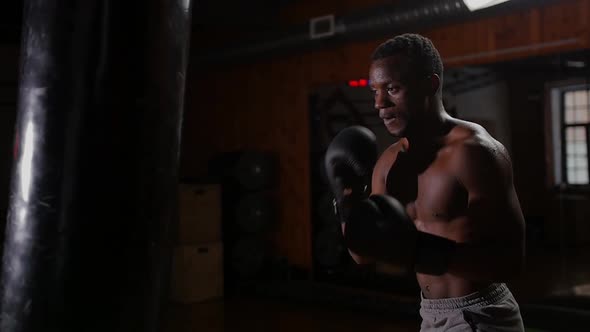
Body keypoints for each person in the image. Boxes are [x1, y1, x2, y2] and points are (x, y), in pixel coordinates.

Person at [325, 33, 526, 331]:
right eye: (375, 92)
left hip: (481, 313)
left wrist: (418, 251)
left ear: (430, 85)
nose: (379, 103)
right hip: (429, 314)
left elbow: (510, 262)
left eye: (392, 89)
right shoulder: (388, 164)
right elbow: (362, 254)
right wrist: (346, 200)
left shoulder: (474, 153)